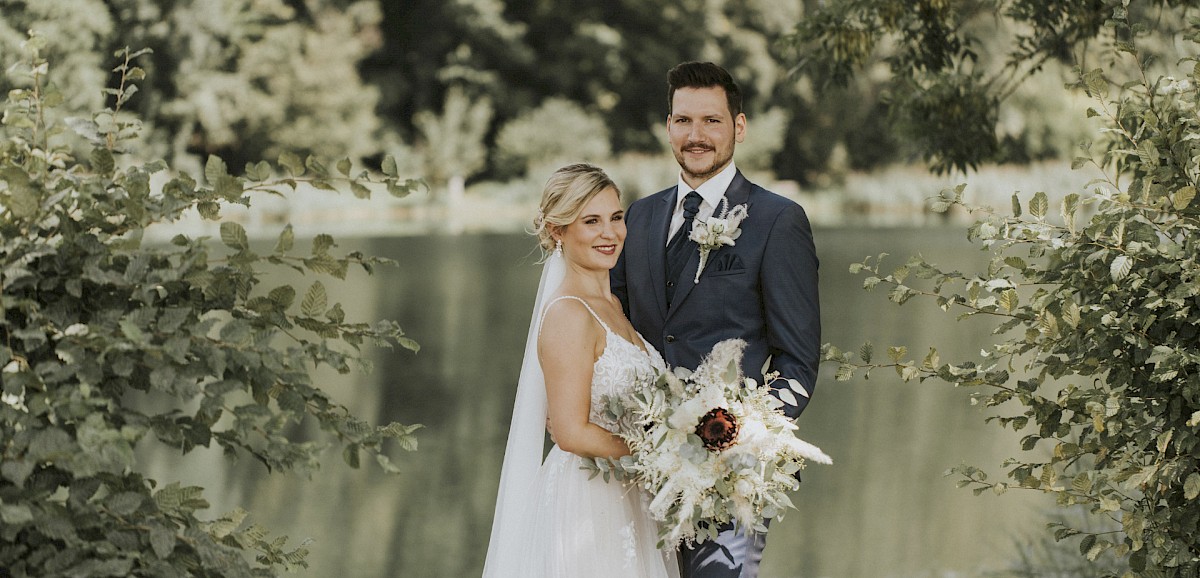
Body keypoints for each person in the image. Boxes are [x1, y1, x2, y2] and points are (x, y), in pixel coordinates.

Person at [611, 61, 821, 578]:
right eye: (683, 121)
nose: (695, 135)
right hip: (635, 468)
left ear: (739, 127)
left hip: (729, 479)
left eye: (711, 121)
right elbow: (613, 326)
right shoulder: (638, 217)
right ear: (668, 127)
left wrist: (742, 440)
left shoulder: (777, 220)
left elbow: (797, 360)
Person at [483, 163, 680, 578]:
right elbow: (570, 433)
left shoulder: (614, 307)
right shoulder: (569, 314)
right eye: (591, 221)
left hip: (628, 495)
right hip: (590, 504)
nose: (610, 233)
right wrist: (663, 452)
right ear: (558, 231)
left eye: (616, 217)